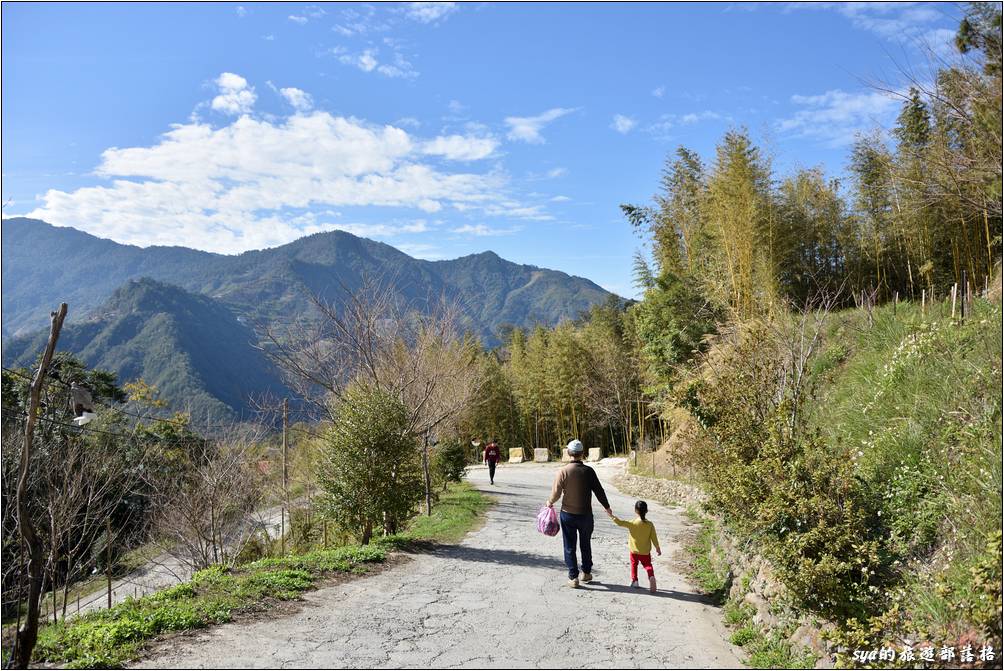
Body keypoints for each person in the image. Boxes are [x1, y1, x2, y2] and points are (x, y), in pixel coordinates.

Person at [545, 439, 612, 588]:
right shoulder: (589, 471)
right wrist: (607, 507)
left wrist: (550, 502)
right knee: (585, 544)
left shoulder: (563, 471)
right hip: (586, 515)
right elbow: (599, 491)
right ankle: (586, 572)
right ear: (583, 454)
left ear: (568, 453)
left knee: (569, 546)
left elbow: (556, 493)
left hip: (568, 514)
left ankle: (573, 577)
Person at [609, 500, 661, 593]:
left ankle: (635, 581)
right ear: (646, 511)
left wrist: (612, 516)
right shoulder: (650, 524)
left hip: (634, 551)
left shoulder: (632, 523)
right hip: (645, 552)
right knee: (648, 565)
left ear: (636, 511)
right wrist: (657, 547)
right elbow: (654, 537)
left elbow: (620, 522)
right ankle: (651, 576)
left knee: (634, 564)